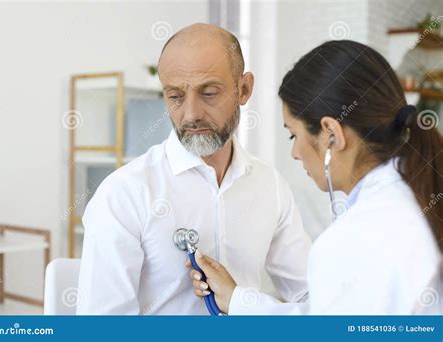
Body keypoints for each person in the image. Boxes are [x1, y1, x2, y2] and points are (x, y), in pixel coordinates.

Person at [188, 40, 442, 315]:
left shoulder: (352, 241)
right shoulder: (420, 194)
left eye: (293, 135)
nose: (295, 153)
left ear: (331, 132)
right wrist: (240, 301)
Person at [76, 23, 312, 315]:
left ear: (244, 89)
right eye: (175, 96)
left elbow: (310, 295)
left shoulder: (270, 186)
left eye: (209, 93)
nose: (191, 114)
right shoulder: (123, 194)